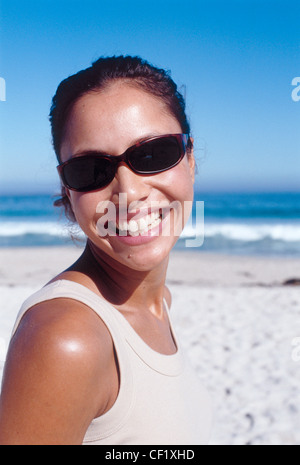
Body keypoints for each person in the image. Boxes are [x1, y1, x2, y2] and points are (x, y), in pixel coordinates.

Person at [0, 55, 212, 445]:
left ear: (191, 157)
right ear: (67, 190)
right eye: (91, 170)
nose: (128, 193)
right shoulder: (65, 337)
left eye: (153, 154)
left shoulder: (159, 301)